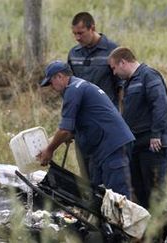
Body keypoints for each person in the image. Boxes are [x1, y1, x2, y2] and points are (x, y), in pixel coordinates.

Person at [36, 60, 134, 199]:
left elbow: (65, 130)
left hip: (112, 146)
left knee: (118, 198)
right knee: (98, 194)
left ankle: (127, 221)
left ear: (59, 76)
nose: (51, 87)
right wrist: (49, 144)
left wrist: (50, 150)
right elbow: (69, 131)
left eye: (51, 82)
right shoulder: (79, 86)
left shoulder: (73, 90)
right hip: (103, 147)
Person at [108, 47, 167, 209]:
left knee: (156, 196)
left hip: (153, 147)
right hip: (136, 146)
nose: (114, 73)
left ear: (123, 62)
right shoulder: (128, 83)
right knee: (141, 194)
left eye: (114, 68)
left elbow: (161, 104)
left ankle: (161, 232)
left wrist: (156, 134)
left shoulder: (148, 76)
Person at [68, 11, 124, 179]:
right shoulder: (74, 54)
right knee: (86, 175)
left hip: (106, 123)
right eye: (74, 34)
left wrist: (121, 117)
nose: (77, 38)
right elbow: (69, 89)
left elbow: (121, 88)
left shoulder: (112, 51)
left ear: (92, 28)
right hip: (83, 125)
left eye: (81, 33)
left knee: (106, 173)